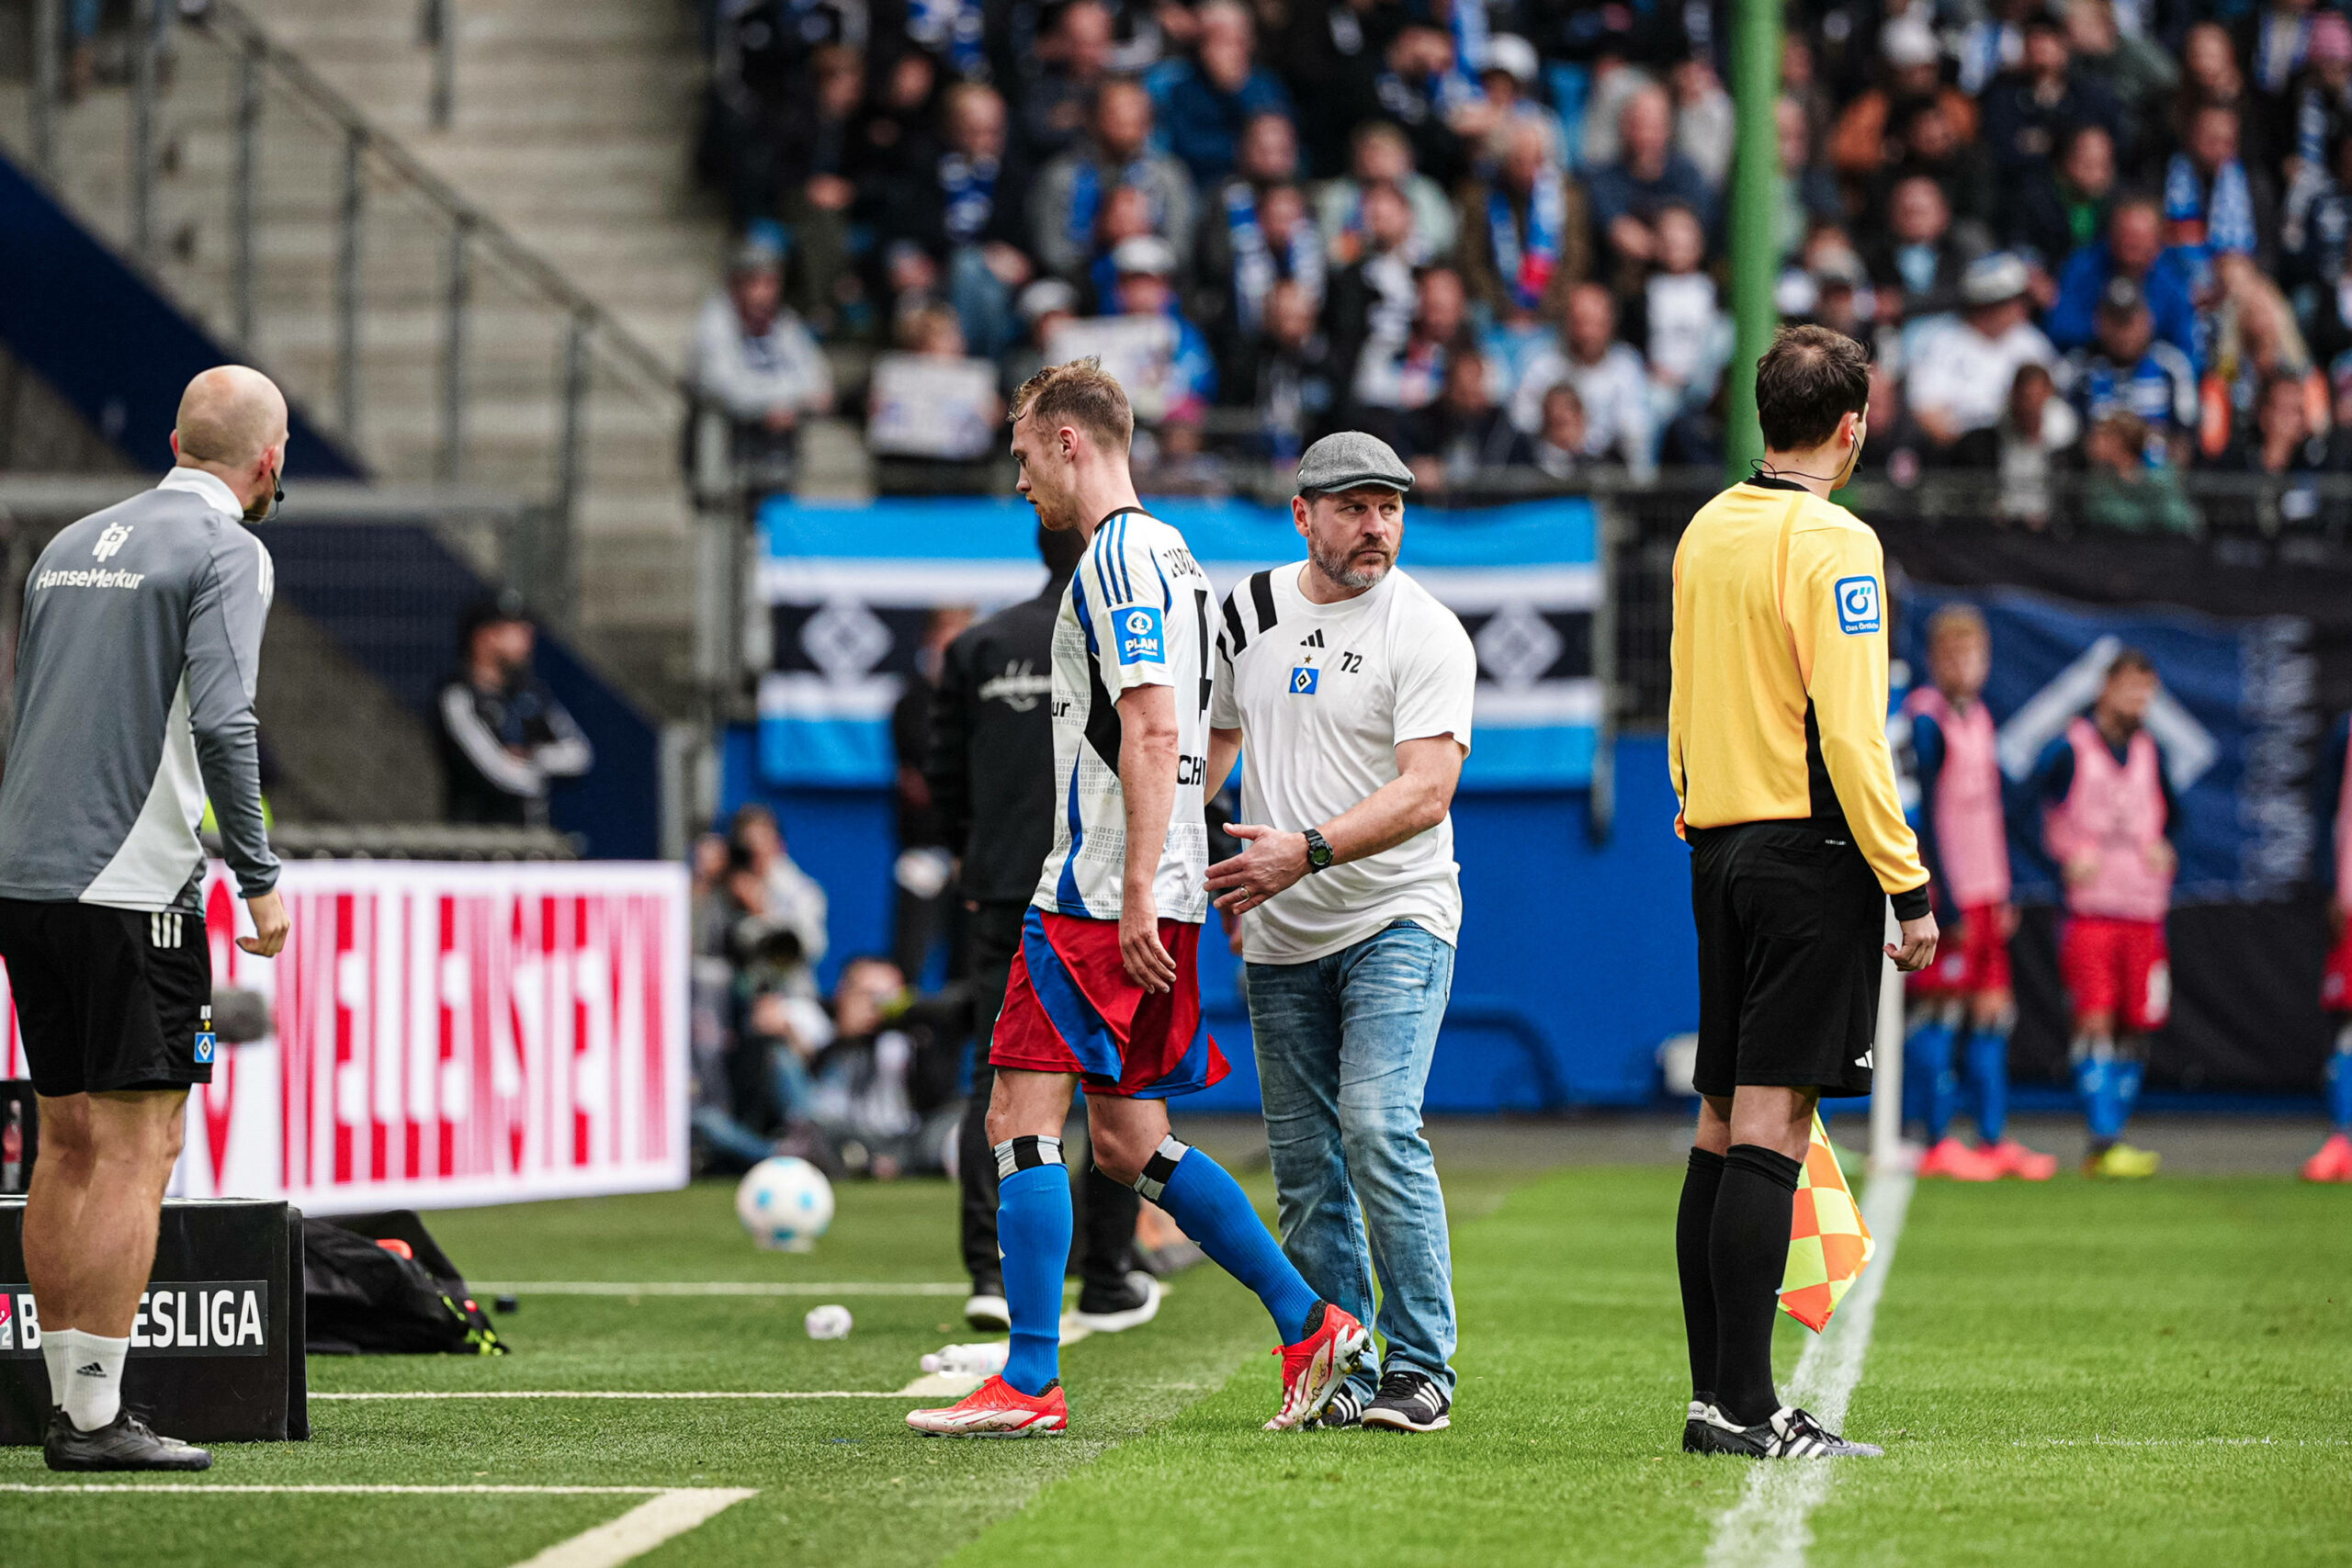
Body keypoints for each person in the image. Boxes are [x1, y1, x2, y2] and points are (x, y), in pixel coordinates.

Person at [907, 360, 1369, 1438]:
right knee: (1126, 1142)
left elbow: (1157, 728)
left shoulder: (1115, 555)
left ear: (1070, 440)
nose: (1021, 479)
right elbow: (1196, 730)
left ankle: (1028, 1380)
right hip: (1146, 888)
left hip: (1095, 893)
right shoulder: (1171, 552)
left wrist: (1126, 889)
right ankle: (1311, 1326)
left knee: (1019, 1120)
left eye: (1025, 453)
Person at [0, 366, 292, 1472]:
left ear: (173, 438)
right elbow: (225, 720)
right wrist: (256, 873)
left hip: (26, 874)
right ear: (267, 463)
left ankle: (69, 1403)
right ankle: (93, 1419)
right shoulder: (231, 552)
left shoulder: (69, 541)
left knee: (63, 1140)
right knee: (139, 1144)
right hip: (133, 887)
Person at [1668, 325, 1936, 1460]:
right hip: (1807, 852)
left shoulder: (1703, 529)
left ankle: (1710, 1398)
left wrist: (1698, 805)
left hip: (1716, 845)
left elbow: (1687, 704)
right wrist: (1906, 880)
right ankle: (1744, 1407)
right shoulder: (1836, 542)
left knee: (1721, 1124)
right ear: (1852, 427)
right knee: (1772, 1124)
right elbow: (1850, 730)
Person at [1202, 431, 1476, 1433]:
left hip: (1396, 914)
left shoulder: (1427, 629)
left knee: (1374, 1126)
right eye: (1354, 507)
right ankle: (1341, 1368)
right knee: (1306, 1167)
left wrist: (1300, 853)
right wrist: (1210, 857)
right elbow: (1217, 740)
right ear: (1301, 515)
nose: (1376, 527)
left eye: (1389, 507)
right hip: (1279, 932)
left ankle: (1421, 1368)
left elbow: (1428, 790)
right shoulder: (1249, 611)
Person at [927, 524, 1159, 1333]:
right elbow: (1168, 753)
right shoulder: (1134, 638)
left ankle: (992, 1277)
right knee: (1114, 1083)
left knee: (1000, 1082)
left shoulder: (982, 644)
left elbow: (942, 776)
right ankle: (1106, 1274)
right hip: (1101, 894)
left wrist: (973, 858)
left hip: (1002, 891)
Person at [1900, 607, 2057, 1181]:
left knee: (1994, 1013)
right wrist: (1943, 896)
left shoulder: (1982, 718)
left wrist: (2004, 887)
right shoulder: (1925, 721)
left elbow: (1990, 814)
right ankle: (1935, 1137)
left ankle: (1991, 1138)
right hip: (1951, 893)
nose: (1965, 667)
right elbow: (1926, 820)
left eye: (1975, 656)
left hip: (1990, 890)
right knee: (1939, 1010)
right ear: (1937, 660)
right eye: (1954, 656)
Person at [2022, 649, 2177, 1179]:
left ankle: (2116, 1135)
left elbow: (2178, 817)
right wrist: (2057, 863)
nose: (2139, 701)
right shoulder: (2071, 747)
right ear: (2106, 689)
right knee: (2094, 1021)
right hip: (2090, 913)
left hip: (2145, 911)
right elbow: (2020, 809)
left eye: (2147, 692)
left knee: (2137, 1024)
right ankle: (2102, 1138)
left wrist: (2166, 847)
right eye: (2131, 689)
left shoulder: (2153, 751)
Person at [435, 593, 594, 829]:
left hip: (533, 840)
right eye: (516, 630)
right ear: (485, 637)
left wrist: (532, 756)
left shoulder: (531, 694)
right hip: (477, 845)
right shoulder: (458, 695)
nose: (528, 639)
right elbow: (493, 771)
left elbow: (580, 755)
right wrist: (537, 772)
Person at [2307, 708, 2352, 1182]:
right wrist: (2327, 883)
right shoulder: (2346, 729)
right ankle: (2344, 1138)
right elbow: (2324, 809)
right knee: (2348, 1015)